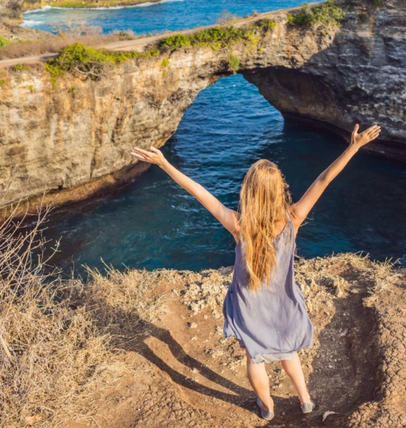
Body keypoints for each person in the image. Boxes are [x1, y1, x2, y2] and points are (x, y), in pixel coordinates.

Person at [131, 123, 381, 421]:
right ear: (280, 191)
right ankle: (305, 401)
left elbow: (197, 190)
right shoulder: (293, 219)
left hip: (249, 306)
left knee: (255, 357)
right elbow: (324, 179)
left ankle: (267, 408)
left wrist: (164, 163)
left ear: (249, 192)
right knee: (289, 353)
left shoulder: (238, 225)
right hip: (283, 302)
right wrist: (354, 146)